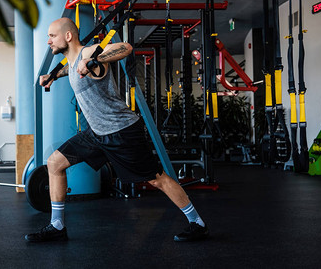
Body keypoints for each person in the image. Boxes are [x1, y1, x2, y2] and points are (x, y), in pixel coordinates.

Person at [25, 17, 209, 242]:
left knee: (156, 178)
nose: (48, 41)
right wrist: (54, 75)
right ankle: (57, 226)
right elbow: (74, 71)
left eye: (52, 36)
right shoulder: (73, 62)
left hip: (121, 131)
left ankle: (197, 223)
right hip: (96, 133)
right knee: (54, 163)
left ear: (68, 36)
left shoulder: (89, 54)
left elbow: (125, 48)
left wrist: (96, 58)